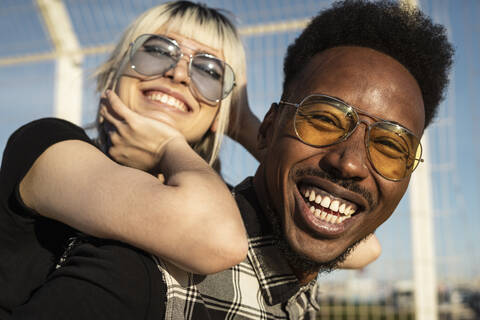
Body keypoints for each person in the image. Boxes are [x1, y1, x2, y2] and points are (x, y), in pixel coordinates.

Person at [8, 0, 454, 319]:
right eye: (157, 51)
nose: (179, 73)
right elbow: (215, 237)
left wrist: (256, 127)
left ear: (225, 106)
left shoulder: (203, 199)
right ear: (116, 66)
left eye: (208, 72)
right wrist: (175, 145)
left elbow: (357, 242)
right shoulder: (51, 144)